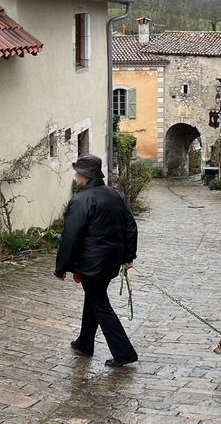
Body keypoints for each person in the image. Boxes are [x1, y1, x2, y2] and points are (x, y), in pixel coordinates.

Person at [54, 154, 139, 367]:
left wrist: (61, 267)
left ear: (86, 175)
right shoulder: (113, 194)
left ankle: (124, 353)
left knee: (100, 304)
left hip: (91, 265)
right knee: (93, 299)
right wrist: (128, 255)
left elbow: (71, 237)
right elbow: (130, 225)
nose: (75, 177)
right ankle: (85, 342)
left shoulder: (81, 200)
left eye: (77, 173)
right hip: (110, 262)